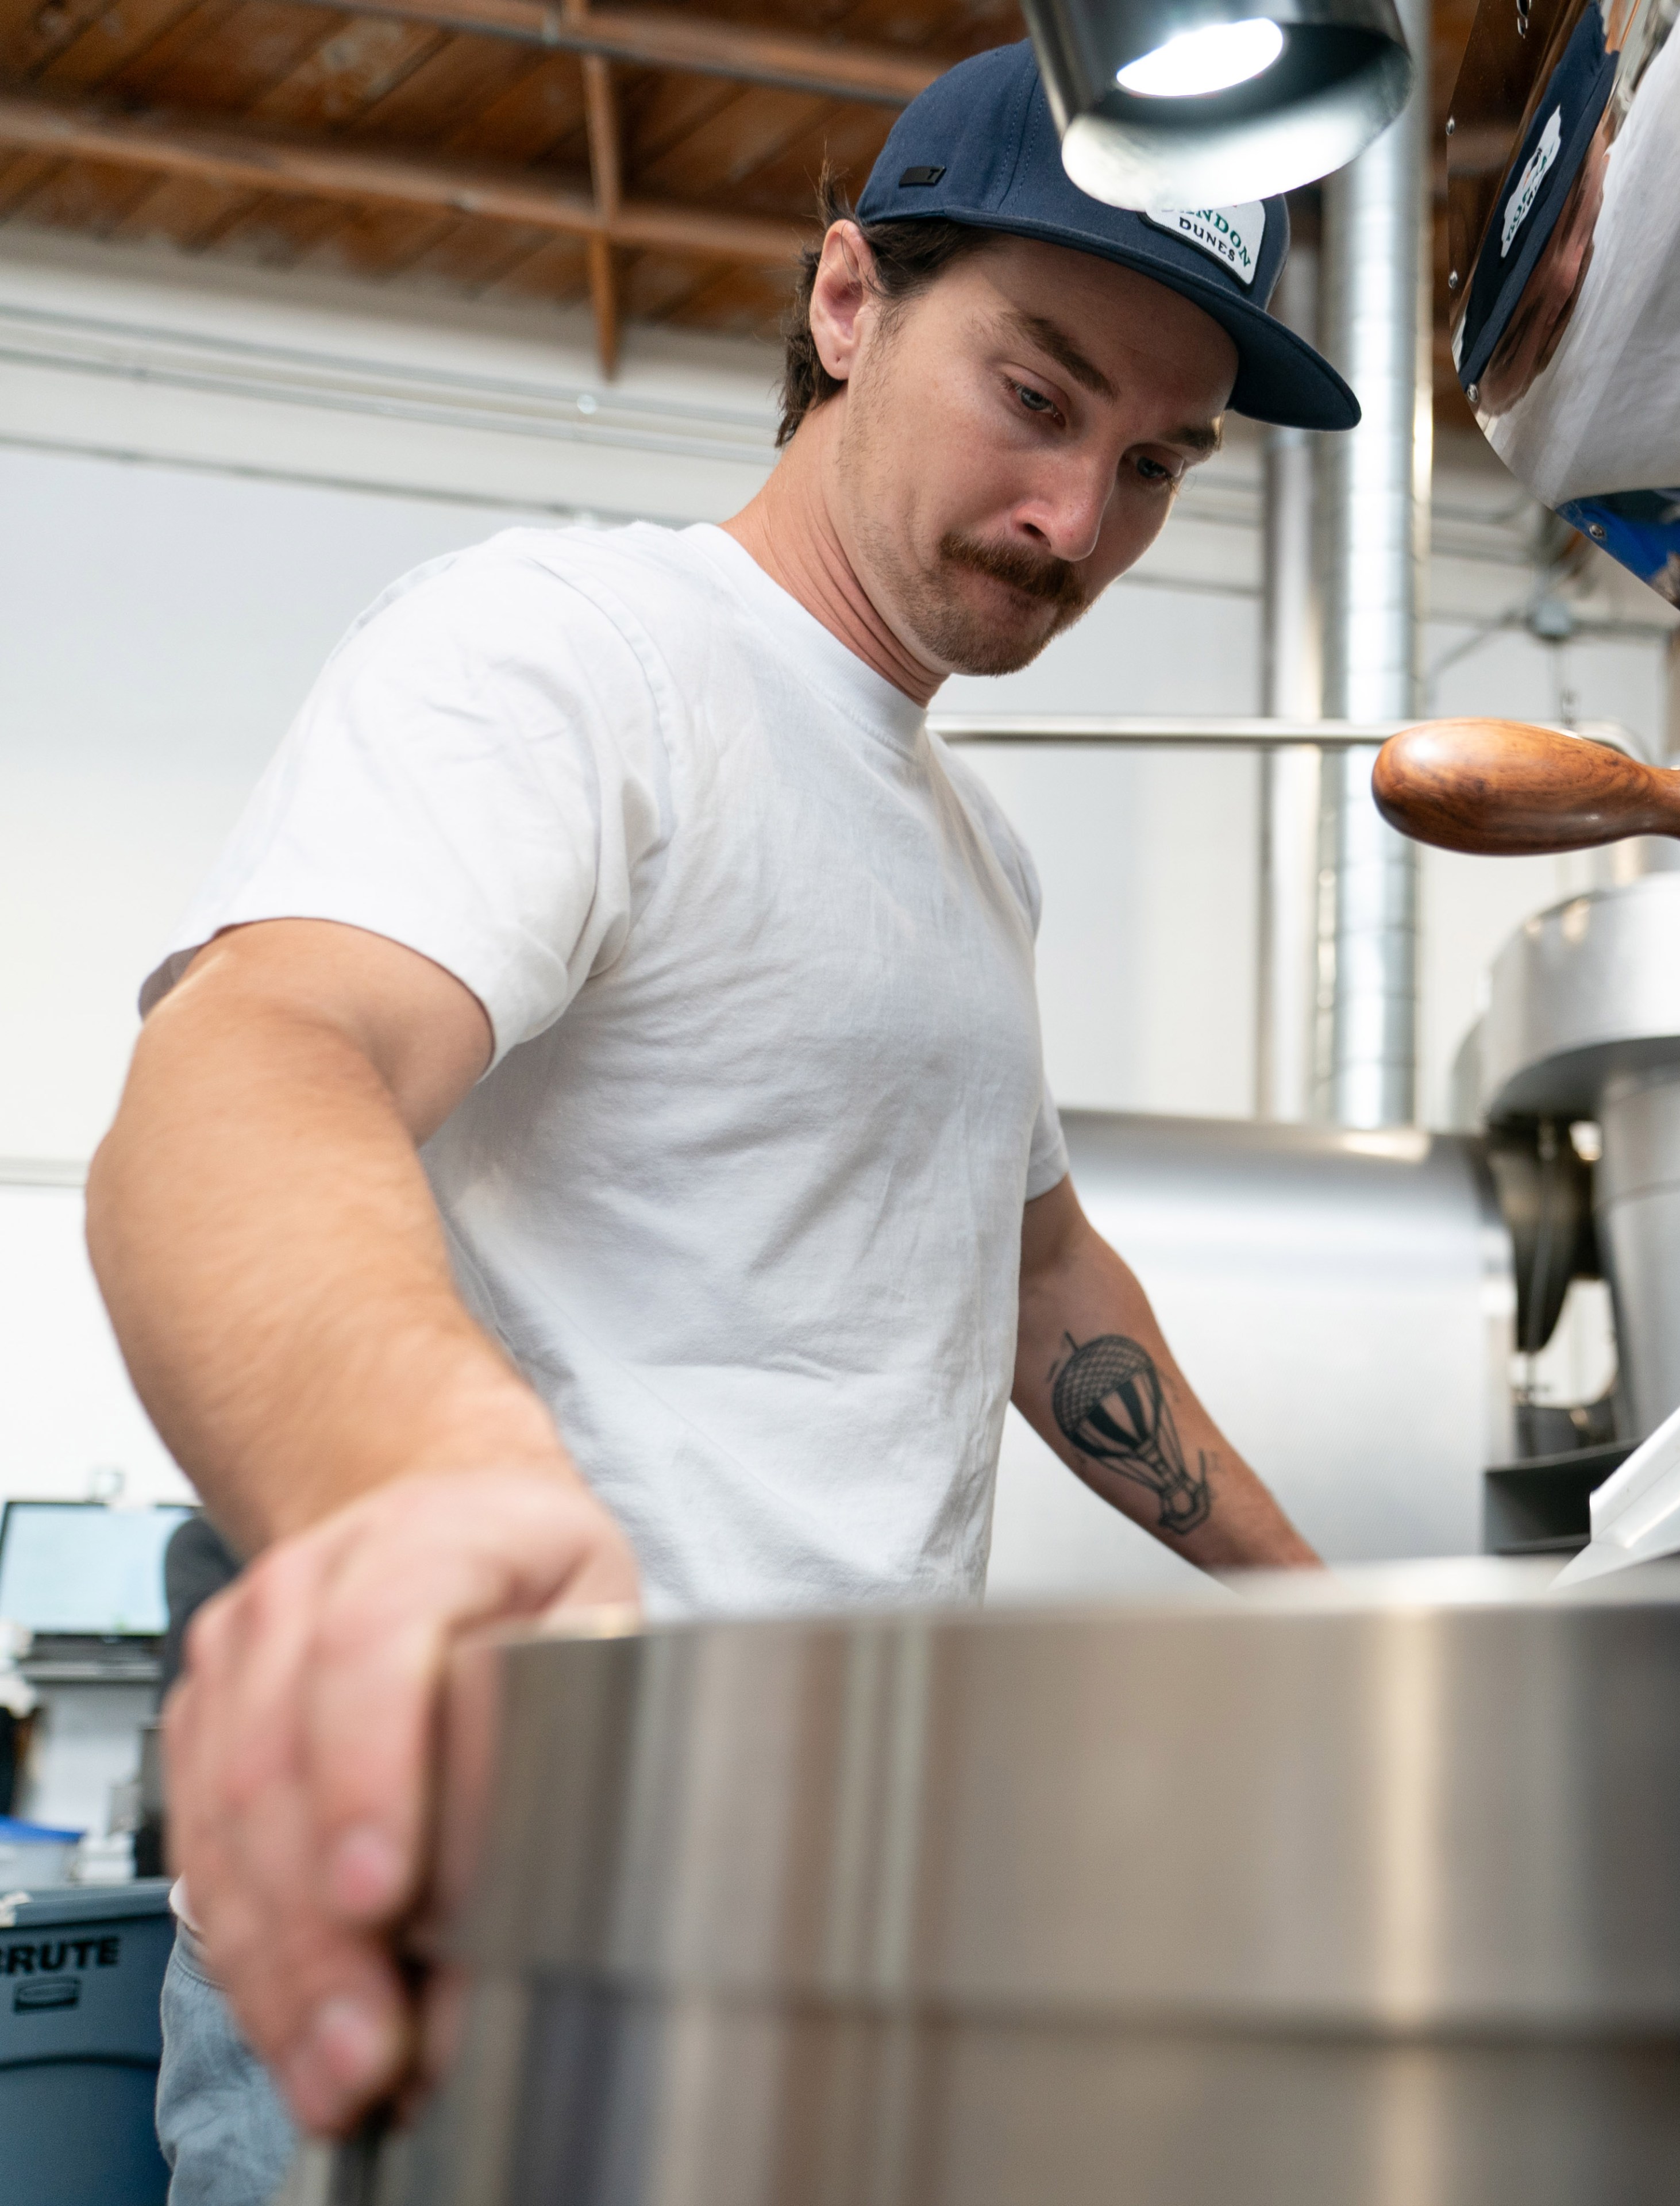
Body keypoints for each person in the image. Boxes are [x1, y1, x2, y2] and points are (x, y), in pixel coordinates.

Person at [84, 38, 1358, 2205]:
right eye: (1037, 398)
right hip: (497, 1955)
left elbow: (1039, 1279)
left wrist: (1332, 1621)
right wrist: (430, 1502)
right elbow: (253, 1060)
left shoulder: (974, 858)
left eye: (1159, 463)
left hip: (808, 1960)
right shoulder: (573, 656)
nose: (1078, 525)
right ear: (848, 302)